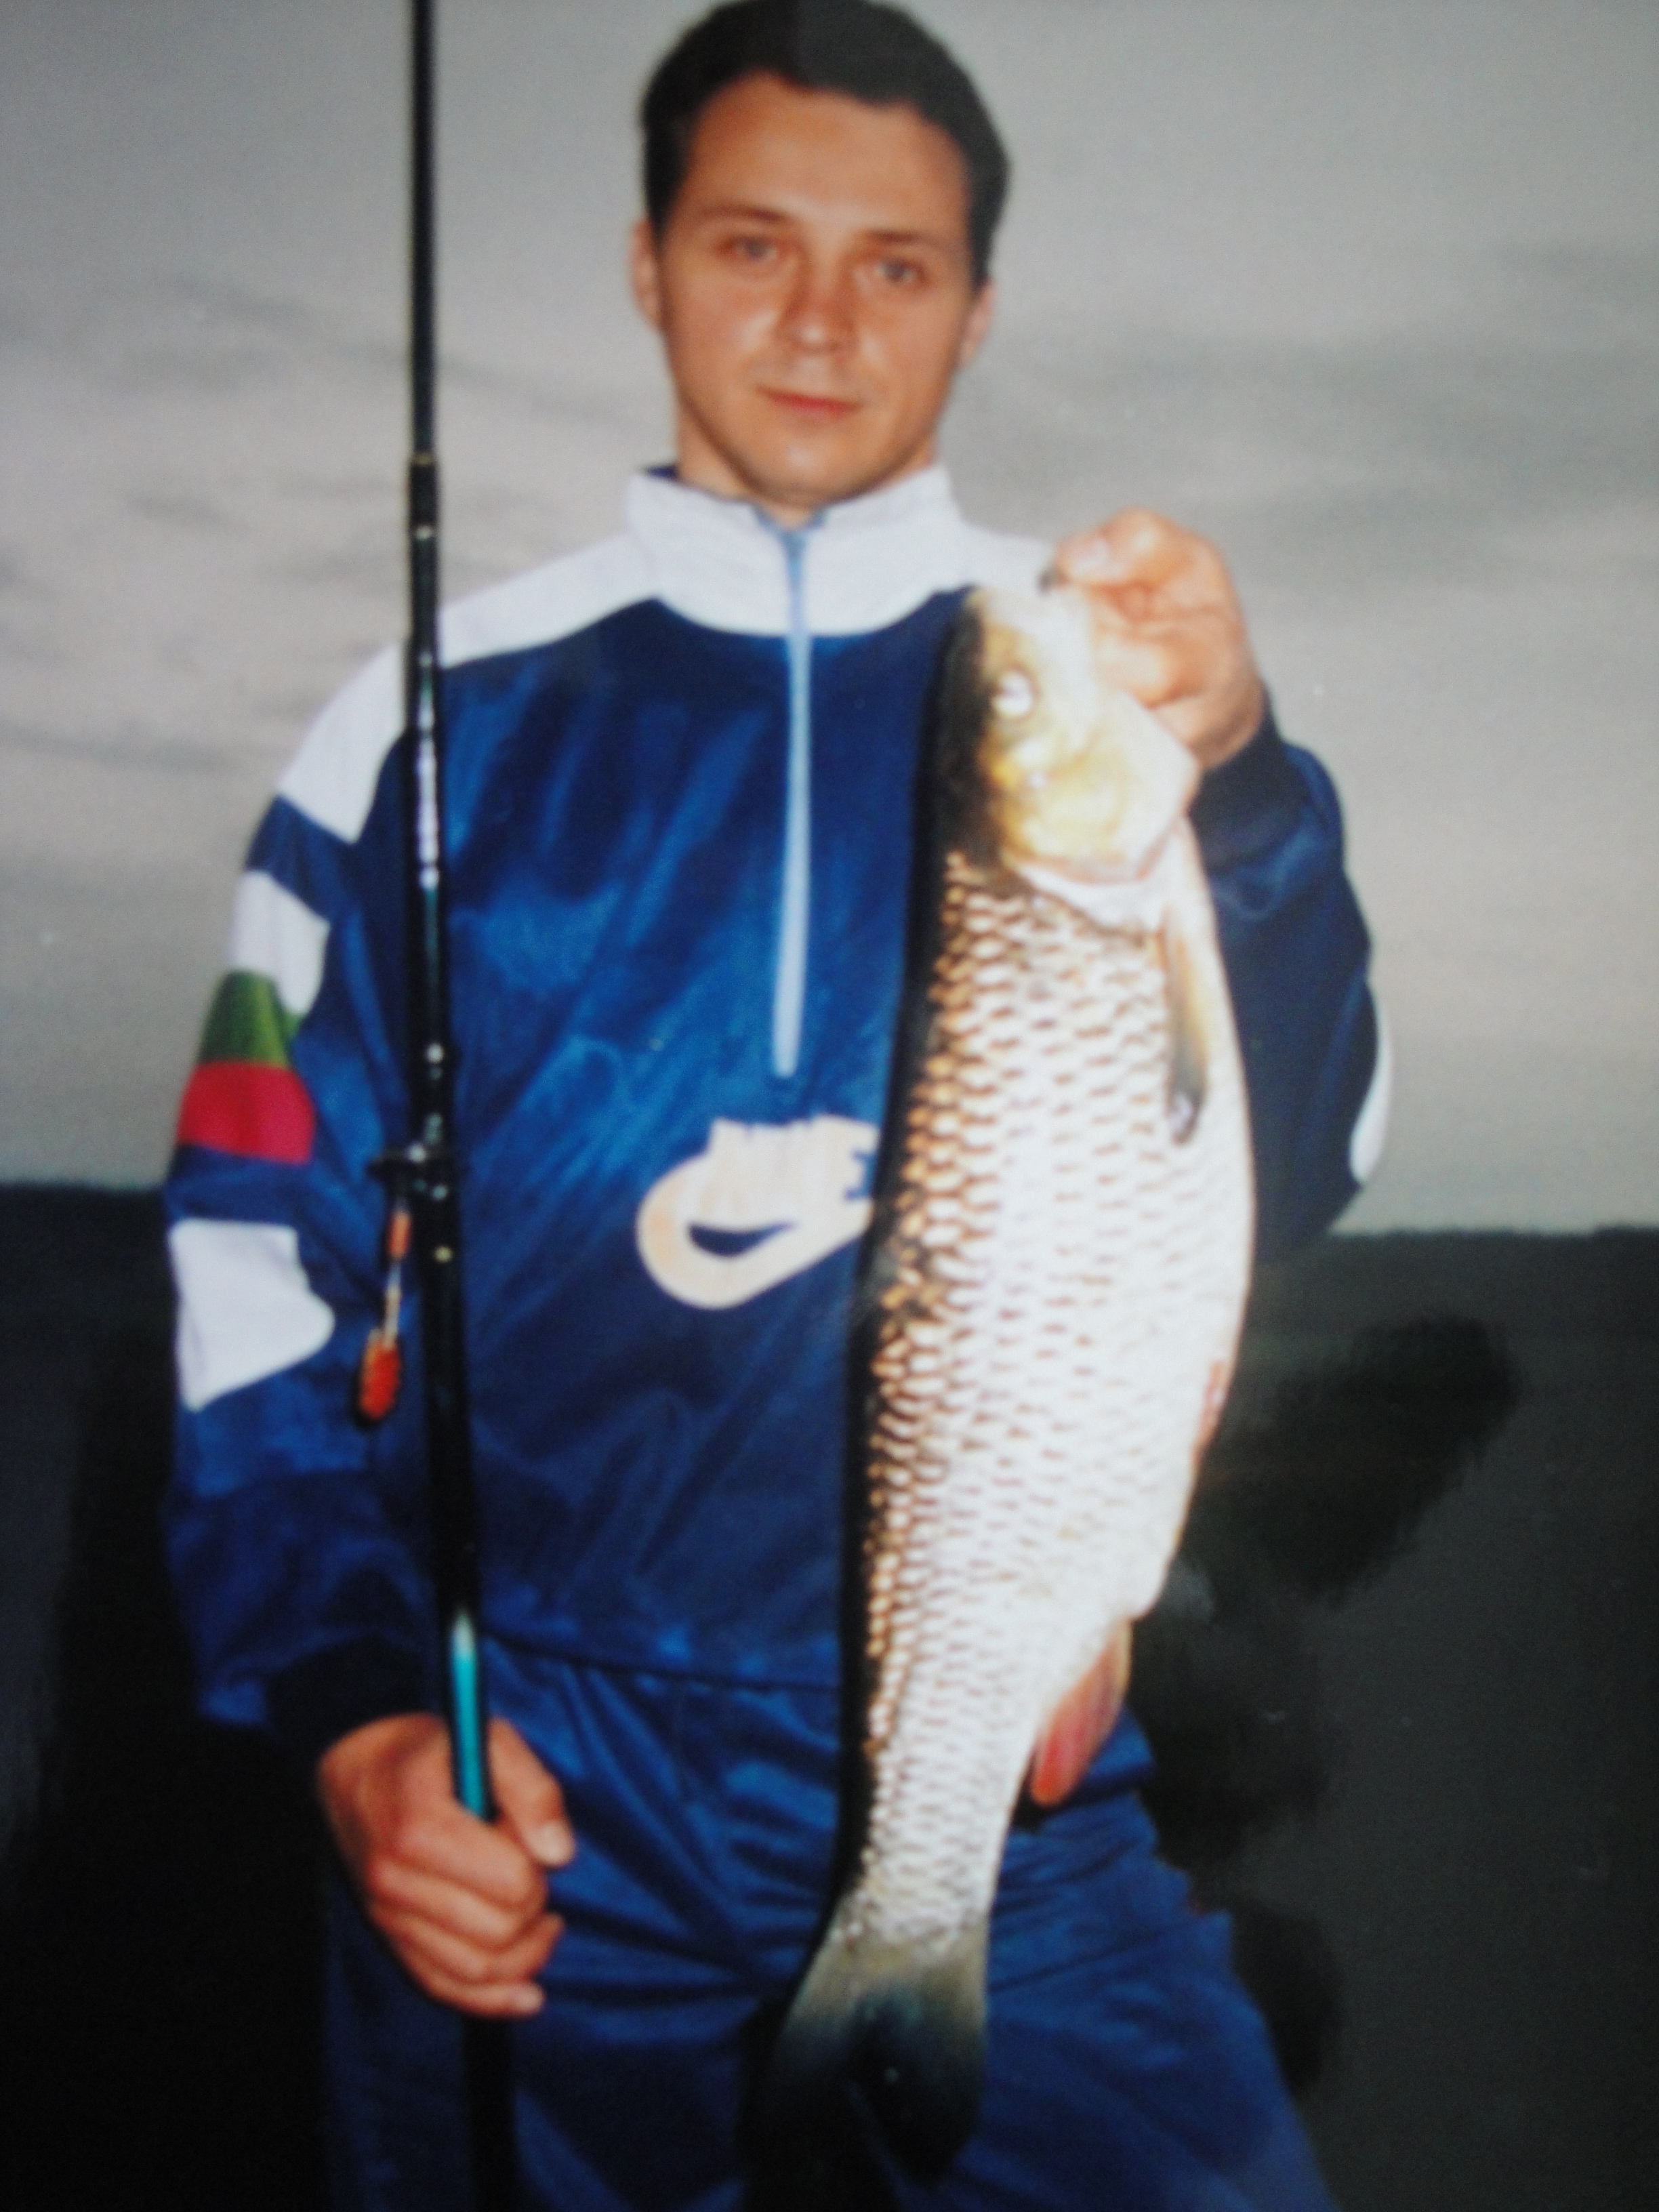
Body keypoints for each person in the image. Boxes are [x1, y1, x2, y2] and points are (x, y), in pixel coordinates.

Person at [165, 3, 1385, 2206]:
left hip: (1013, 1778)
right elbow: (254, 1257)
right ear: (648, 265)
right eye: (754, 245)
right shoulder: (425, 728)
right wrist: (352, 1713)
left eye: (895, 265)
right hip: (540, 1785)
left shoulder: (1110, 708)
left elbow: (1301, 1163)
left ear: (978, 304)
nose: (823, 321)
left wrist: (1249, 783)